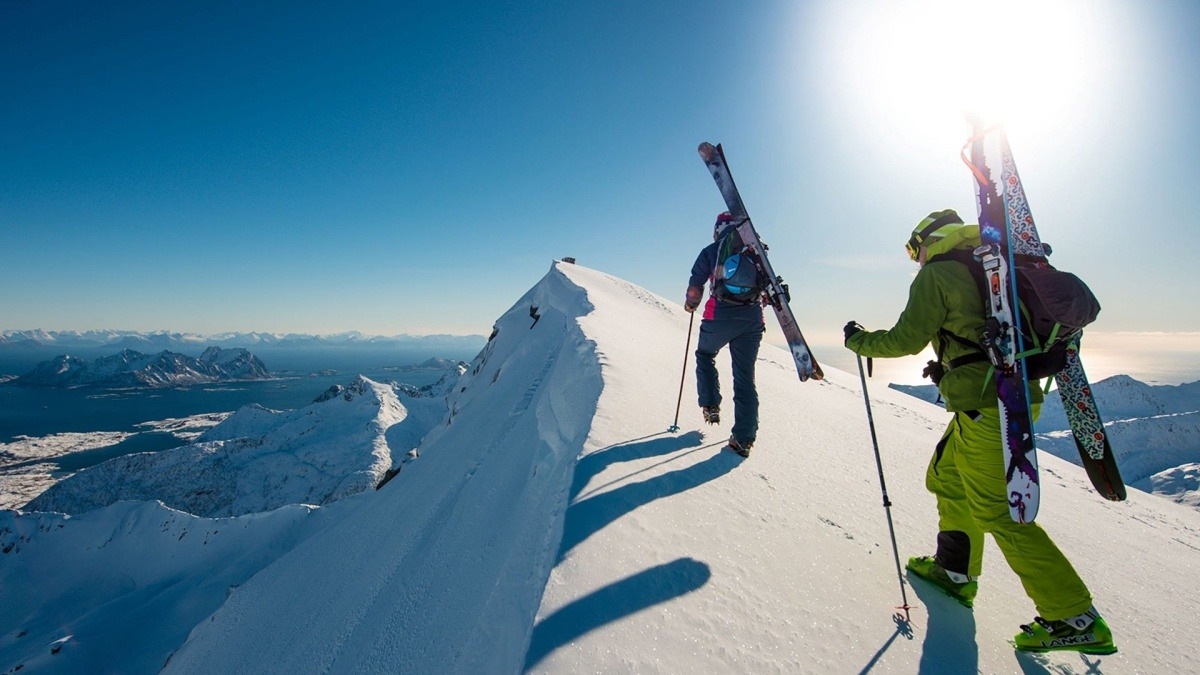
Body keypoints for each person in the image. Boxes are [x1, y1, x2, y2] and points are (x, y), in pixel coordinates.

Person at [843, 209, 1116, 655]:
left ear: (930, 239)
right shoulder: (993, 265)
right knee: (947, 477)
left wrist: (859, 340)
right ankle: (954, 570)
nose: (916, 259)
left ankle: (1074, 618)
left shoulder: (939, 273)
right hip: (1002, 397)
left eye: (915, 249)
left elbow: (904, 339)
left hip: (989, 406)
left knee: (997, 512)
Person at [684, 211, 765, 458]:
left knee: (705, 354)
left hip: (718, 316)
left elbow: (695, 286)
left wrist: (691, 304)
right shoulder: (756, 251)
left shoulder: (711, 251)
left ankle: (710, 405)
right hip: (751, 319)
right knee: (745, 377)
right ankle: (743, 439)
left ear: (719, 229)